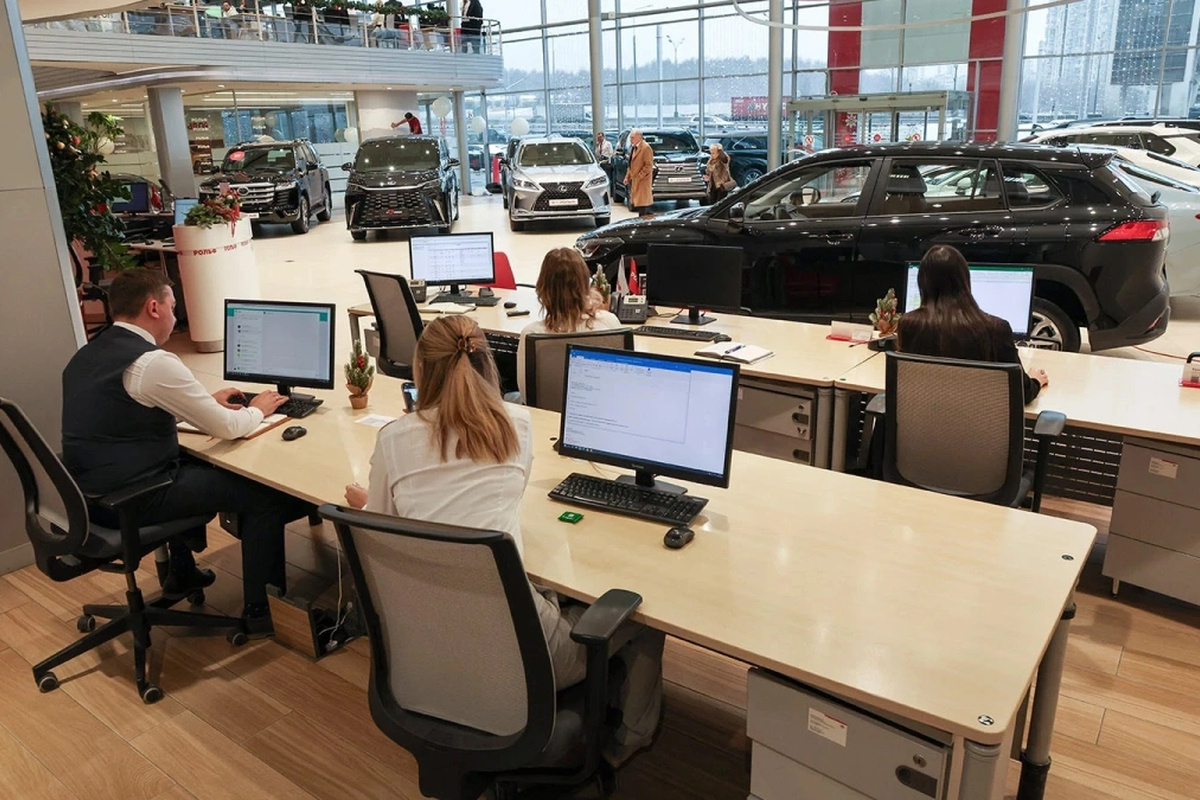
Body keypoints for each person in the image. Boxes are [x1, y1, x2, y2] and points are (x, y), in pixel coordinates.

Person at [343, 315, 664, 769]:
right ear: (487, 365)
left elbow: (383, 531)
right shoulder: (519, 425)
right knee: (647, 611)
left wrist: (367, 504)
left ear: (421, 370)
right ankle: (630, 738)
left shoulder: (392, 440)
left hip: (428, 654)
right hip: (521, 662)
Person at [60, 269, 312, 635]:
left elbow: (126, 413)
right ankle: (261, 612)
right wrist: (259, 408)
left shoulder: (89, 354)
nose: (175, 315)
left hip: (88, 495)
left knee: (189, 458)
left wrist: (202, 403)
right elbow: (230, 427)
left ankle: (182, 573)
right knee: (263, 495)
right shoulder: (152, 363)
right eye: (173, 306)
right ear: (154, 308)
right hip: (130, 499)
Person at [897, 245, 1049, 403]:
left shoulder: (909, 325)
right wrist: (1035, 380)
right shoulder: (996, 329)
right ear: (965, 281)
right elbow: (1021, 393)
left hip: (925, 416)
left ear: (922, 283)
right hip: (980, 418)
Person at [516, 248, 621, 401]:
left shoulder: (532, 334)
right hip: (599, 410)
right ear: (585, 285)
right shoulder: (609, 323)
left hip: (548, 414)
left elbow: (527, 396)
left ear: (543, 289)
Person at [625, 129, 655, 218]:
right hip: (636, 181)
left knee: (644, 205)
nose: (631, 140)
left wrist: (639, 176)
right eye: (630, 138)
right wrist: (627, 177)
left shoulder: (646, 148)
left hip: (643, 181)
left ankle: (645, 222)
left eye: (632, 138)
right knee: (640, 205)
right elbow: (631, 165)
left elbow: (648, 166)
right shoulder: (633, 148)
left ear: (639, 137)